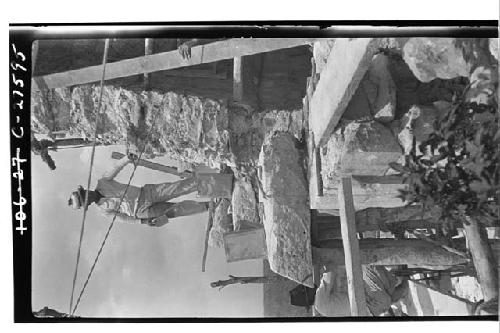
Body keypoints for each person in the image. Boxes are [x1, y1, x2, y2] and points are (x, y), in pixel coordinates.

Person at [67, 154, 210, 227]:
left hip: (146, 193)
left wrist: (126, 159)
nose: (87, 196)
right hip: (140, 212)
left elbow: (115, 168)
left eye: (84, 193)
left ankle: (210, 182)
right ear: (88, 203)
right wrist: (142, 222)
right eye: (84, 199)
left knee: (177, 188)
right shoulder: (104, 211)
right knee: (174, 210)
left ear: (85, 190)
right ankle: (207, 206)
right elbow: (123, 218)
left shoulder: (102, 182)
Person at [314, 265, 409, 317]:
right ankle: (396, 277)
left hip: (374, 311)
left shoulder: (327, 313)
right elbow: (329, 275)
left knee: (385, 296)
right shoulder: (319, 301)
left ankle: (402, 285)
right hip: (373, 301)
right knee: (363, 262)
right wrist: (327, 265)